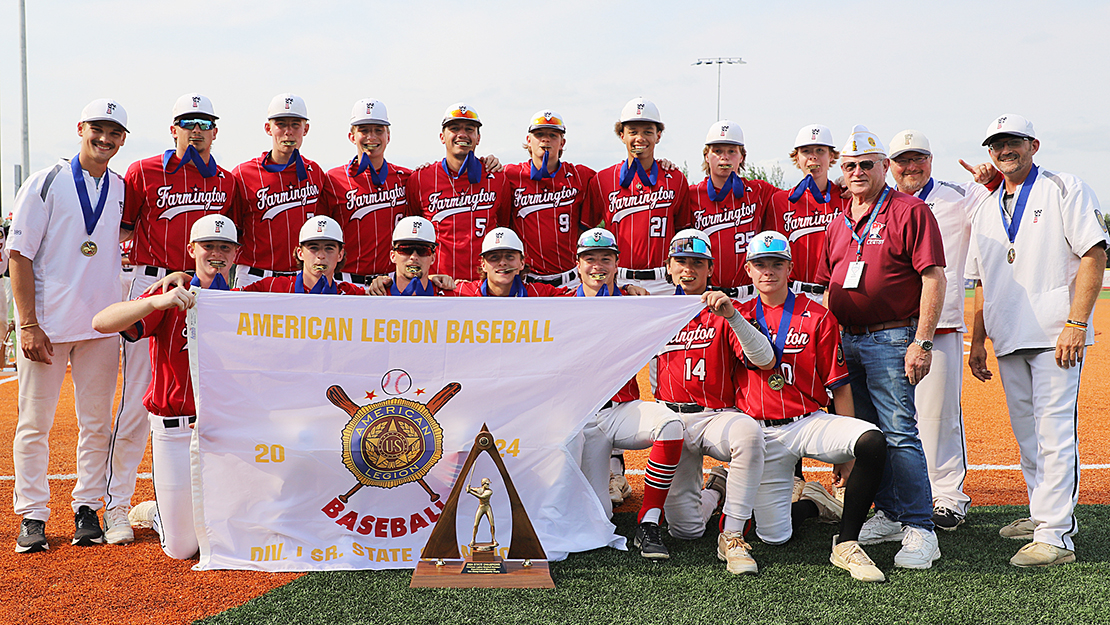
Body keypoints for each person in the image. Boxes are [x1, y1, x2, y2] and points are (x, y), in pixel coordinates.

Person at [966, 114, 1108, 567]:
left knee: (1053, 431)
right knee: (1027, 435)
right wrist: (977, 341)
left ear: (1034, 145)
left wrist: (1077, 322)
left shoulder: (1064, 186)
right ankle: (1041, 513)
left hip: (1055, 334)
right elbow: (983, 283)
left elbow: (1093, 253)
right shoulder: (986, 208)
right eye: (996, 144)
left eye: (1013, 142)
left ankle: (1057, 535)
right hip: (1008, 335)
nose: (1004, 150)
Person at [107, 93, 240, 544]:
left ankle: (194, 504)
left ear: (215, 131)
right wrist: (151, 292)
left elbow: (229, 240)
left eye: (205, 122)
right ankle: (116, 508)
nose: (196, 129)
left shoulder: (226, 180)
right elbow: (119, 233)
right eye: (188, 121)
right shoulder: (143, 170)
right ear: (174, 128)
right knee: (134, 407)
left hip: (208, 291)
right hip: (156, 287)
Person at [815, 125, 946, 570]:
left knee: (900, 431)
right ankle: (890, 513)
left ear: (883, 168)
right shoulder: (837, 220)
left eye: (866, 164)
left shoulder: (910, 211)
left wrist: (922, 341)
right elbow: (827, 283)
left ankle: (920, 526)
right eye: (848, 166)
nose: (856, 172)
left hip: (892, 337)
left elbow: (933, 277)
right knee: (868, 437)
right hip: (848, 339)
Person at [730, 231, 888, 582]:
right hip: (761, 432)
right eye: (760, 265)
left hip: (807, 421)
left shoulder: (816, 315)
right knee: (774, 537)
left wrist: (846, 457)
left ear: (790, 268)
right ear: (748, 271)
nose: (768, 271)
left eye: (776, 264)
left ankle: (846, 543)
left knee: (871, 440)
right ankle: (814, 502)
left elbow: (839, 386)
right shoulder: (736, 316)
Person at [8, 99, 129, 553]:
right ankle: (34, 514)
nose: (105, 139)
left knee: (95, 423)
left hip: (100, 326)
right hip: (49, 328)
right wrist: (28, 323)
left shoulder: (119, 187)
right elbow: (18, 256)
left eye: (115, 133)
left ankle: (86, 507)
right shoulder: (46, 182)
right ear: (81, 128)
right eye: (98, 129)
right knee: (34, 424)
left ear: (122, 140)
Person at [91, 214, 240, 559]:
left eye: (224, 247)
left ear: (235, 254)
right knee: (183, 548)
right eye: (208, 246)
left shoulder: (241, 300)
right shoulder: (171, 293)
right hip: (175, 430)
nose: (215, 254)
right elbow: (101, 322)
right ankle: (158, 514)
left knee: (228, 535)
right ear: (191, 249)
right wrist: (155, 300)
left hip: (224, 431)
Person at [651, 229, 774, 574]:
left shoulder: (723, 309)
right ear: (669, 268)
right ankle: (716, 490)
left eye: (697, 263)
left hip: (714, 416)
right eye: (681, 262)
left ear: (710, 269)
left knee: (749, 434)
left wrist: (732, 316)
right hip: (671, 422)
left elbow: (765, 360)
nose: (688, 269)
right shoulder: (658, 310)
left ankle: (732, 534)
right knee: (685, 531)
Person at [888, 129, 987, 531]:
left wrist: (990, 179)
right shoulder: (882, 203)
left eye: (919, 158)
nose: (911, 167)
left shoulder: (959, 194)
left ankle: (947, 497)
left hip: (940, 324)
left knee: (939, 416)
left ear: (931, 159)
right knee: (893, 417)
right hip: (891, 328)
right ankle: (896, 498)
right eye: (903, 160)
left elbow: (998, 200)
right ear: (890, 165)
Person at [570, 227, 684, 559]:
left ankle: (648, 522)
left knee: (670, 425)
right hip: (579, 418)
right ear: (578, 264)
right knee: (598, 518)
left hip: (618, 409)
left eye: (605, 258)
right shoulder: (559, 301)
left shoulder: (634, 301)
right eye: (589, 259)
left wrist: (643, 304)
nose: (597, 266)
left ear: (617, 263)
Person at [583, 97, 692, 295]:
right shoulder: (602, 179)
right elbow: (586, 232)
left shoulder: (675, 178)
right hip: (619, 279)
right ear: (621, 135)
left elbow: (683, 232)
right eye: (633, 132)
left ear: (658, 136)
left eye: (648, 132)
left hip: (664, 280)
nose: (640, 138)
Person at [232, 93, 330, 288]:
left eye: (295, 125)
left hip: (301, 277)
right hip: (254, 275)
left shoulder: (316, 173)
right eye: (281, 124)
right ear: (268, 128)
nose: (288, 132)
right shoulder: (244, 174)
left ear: (306, 129)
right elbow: (233, 230)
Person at [405, 103, 510, 282]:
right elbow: (413, 236)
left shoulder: (498, 178)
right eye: (454, 128)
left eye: (469, 129)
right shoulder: (421, 178)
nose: (462, 134)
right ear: (442, 137)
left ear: (478, 137)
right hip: (437, 282)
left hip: (485, 286)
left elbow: (505, 226)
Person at [323, 99, 416, 288]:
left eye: (378, 130)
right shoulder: (333, 179)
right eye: (364, 130)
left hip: (392, 282)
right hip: (346, 282)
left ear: (388, 135)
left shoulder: (407, 178)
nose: (371, 137)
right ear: (351, 136)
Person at [503, 110, 595, 290]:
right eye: (539, 134)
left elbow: (613, 182)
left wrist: (661, 166)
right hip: (527, 280)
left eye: (553, 135)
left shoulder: (580, 175)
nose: (546, 140)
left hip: (570, 280)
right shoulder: (510, 175)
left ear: (562, 142)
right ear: (529, 140)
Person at [688, 121, 778, 289]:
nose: (725, 157)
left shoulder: (760, 190)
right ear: (706, 156)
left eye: (732, 151)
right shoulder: (691, 194)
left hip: (748, 293)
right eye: (717, 151)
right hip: (706, 292)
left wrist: (840, 183)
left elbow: (801, 197)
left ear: (742, 156)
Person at [761, 124, 849, 297]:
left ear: (832, 156)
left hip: (837, 292)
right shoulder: (779, 201)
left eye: (820, 150)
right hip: (793, 293)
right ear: (797, 157)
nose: (813, 157)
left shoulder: (848, 197)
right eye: (806, 151)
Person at [241, 217, 365, 295]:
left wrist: (382, 283)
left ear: (340, 255)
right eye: (313, 248)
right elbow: (228, 299)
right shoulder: (273, 287)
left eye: (329, 248)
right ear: (300, 253)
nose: (321, 255)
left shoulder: (350, 293)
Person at [451, 228, 567, 297]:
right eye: (494, 257)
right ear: (483, 264)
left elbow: (577, 298)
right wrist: (433, 278)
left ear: (522, 263)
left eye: (509, 257)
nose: (502, 263)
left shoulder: (539, 293)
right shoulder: (463, 292)